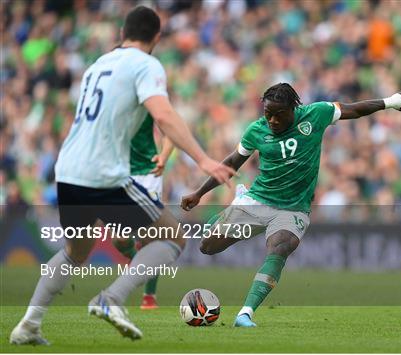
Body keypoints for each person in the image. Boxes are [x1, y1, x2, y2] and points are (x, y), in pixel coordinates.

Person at [10, 6, 234, 345]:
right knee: (173, 237)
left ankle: (29, 324)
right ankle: (111, 299)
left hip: (68, 169)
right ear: (157, 38)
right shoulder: (146, 65)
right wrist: (202, 159)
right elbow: (163, 114)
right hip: (103, 173)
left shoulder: (97, 65)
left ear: (121, 34)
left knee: (76, 250)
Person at [181, 83, 401, 327]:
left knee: (280, 247)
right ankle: (226, 214)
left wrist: (390, 101)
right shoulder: (256, 131)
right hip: (257, 201)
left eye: (279, 114)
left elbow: (354, 110)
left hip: (293, 208)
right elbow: (232, 162)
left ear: (293, 108)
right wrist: (199, 193)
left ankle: (245, 313)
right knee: (207, 246)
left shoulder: (316, 114)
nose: (272, 120)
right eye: (267, 113)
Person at [112, 113, 174, 310]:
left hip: (148, 175)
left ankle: (149, 295)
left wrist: (163, 156)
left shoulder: (149, 102)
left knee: (151, 238)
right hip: (121, 176)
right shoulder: (111, 102)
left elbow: (170, 132)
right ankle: (135, 259)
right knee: (119, 239)